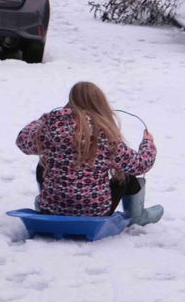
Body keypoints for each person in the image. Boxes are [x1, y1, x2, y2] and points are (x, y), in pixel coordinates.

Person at [16, 81, 163, 225]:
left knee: (44, 164)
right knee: (125, 174)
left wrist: (40, 123)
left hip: (51, 209)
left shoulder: (50, 130)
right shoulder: (106, 135)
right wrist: (147, 143)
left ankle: (49, 202)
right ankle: (137, 216)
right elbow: (140, 165)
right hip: (94, 212)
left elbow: (23, 141)